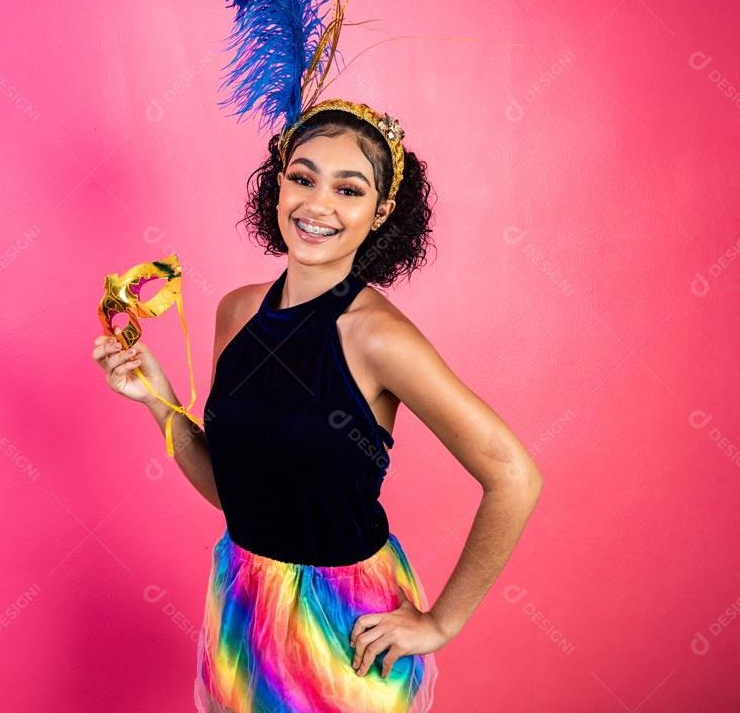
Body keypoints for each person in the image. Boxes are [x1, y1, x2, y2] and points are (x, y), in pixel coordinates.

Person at [93, 100, 543, 712]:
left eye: (348, 189)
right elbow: (237, 494)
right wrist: (158, 399)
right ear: (278, 184)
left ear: (381, 211)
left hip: (344, 632)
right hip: (246, 605)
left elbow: (514, 476)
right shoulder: (237, 311)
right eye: (303, 178)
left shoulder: (380, 338)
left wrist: (441, 622)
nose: (317, 205)